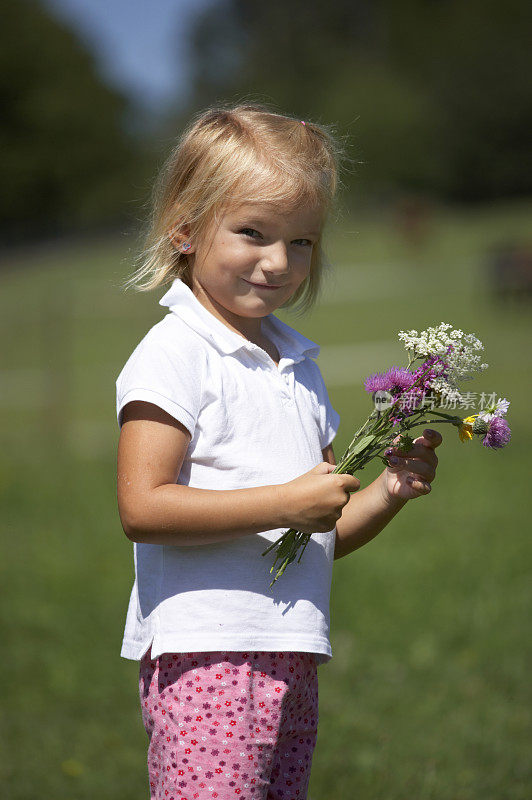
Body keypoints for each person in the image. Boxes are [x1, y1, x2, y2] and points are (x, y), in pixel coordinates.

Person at [115, 103, 442, 800]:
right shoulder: (175, 354)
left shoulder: (298, 367)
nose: (278, 261)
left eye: (302, 242)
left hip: (292, 653)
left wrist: (387, 492)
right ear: (185, 227)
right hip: (207, 655)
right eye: (253, 233)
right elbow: (142, 506)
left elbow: (319, 532)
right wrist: (285, 501)